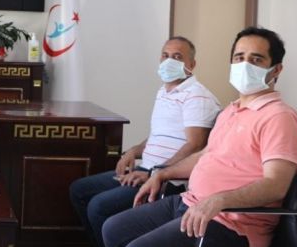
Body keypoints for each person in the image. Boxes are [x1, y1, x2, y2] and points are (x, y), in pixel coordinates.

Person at [102, 27, 297, 247]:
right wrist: (162, 174)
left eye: (256, 59)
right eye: (239, 58)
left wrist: (220, 199)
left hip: (229, 222)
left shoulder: (279, 117)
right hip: (191, 203)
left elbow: (275, 185)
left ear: (276, 69)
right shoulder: (231, 110)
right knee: (114, 228)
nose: (245, 65)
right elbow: (205, 154)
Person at [69, 37, 220, 247]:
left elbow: (195, 145)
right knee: (80, 189)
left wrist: (155, 173)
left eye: (177, 57)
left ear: (192, 64)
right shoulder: (164, 92)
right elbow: (158, 136)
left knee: (98, 206)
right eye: (165, 55)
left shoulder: (197, 96)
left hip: (167, 180)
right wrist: (133, 151)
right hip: (145, 169)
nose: (169, 61)